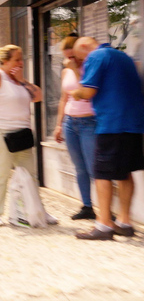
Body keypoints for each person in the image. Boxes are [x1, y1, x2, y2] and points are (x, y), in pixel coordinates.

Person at [0, 45, 57, 227]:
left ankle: (37, 210)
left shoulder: (18, 80)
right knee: (0, 172)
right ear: (6, 60)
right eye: (17, 59)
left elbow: (38, 96)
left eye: (21, 58)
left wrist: (22, 79)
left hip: (21, 133)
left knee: (30, 175)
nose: (20, 62)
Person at [71, 37, 144, 240]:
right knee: (124, 173)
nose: (82, 63)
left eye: (80, 59)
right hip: (134, 123)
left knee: (102, 174)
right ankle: (124, 222)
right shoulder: (124, 57)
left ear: (84, 47)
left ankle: (104, 225)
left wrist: (75, 93)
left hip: (112, 123)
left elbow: (88, 90)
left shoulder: (96, 56)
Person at [53, 34, 97, 220]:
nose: (68, 60)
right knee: (79, 167)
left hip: (89, 121)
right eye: (66, 56)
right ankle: (87, 206)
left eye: (72, 56)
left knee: (94, 167)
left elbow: (87, 93)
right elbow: (64, 98)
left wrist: (76, 70)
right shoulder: (66, 71)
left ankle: (104, 208)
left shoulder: (89, 67)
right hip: (71, 122)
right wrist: (58, 125)